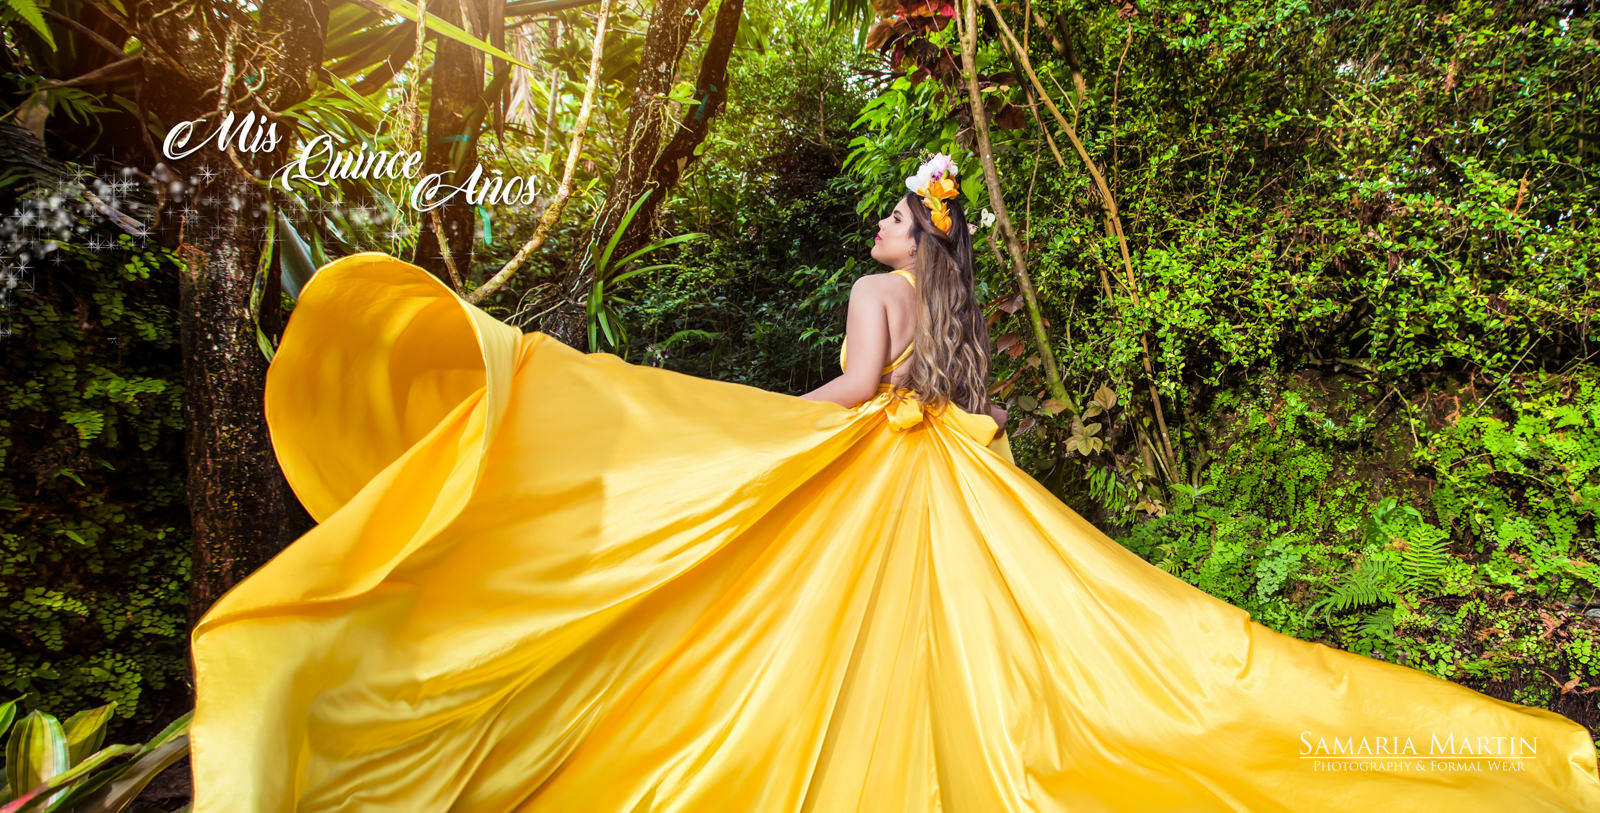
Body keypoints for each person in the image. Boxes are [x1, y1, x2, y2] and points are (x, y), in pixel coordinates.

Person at [187, 154, 1600, 810]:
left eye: (888, 211)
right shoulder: (956, 305)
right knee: (1023, 651)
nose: (876, 222)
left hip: (885, 467)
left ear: (905, 244)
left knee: (839, 645)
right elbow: (953, 398)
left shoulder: (875, 290)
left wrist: (757, 427)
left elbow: (860, 394)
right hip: (953, 472)